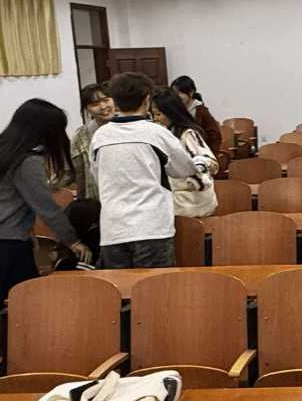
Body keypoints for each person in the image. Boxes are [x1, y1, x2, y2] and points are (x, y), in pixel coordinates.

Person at [0, 99, 93, 316]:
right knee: (22, 298)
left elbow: (6, 199)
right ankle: (12, 337)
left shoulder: (0, 148)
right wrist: (73, 241)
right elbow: (47, 208)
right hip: (1, 241)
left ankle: (2, 334)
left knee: (12, 294)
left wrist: (26, 231)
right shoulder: (27, 161)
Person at [91, 73, 213, 269]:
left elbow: (97, 177)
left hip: (113, 228)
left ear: (115, 101)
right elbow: (183, 170)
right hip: (151, 227)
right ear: (147, 100)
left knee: (119, 286)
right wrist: (200, 161)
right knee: (156, 285)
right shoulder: (157, 133)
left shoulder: (100, 136)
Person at [151, 88, 219, 217]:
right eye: (153, 114)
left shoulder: (188, 134)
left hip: (192, 203)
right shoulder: (167, 134)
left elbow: (210, 163)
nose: (155, 119)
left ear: (171, 113)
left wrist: (195, 176)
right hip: (178, 201)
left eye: (158, 114)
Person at [50, 83, 114, 200]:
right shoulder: (82, 135)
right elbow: (68, 171)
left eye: (106, 100)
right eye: (94, 104)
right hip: (96, 199)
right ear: (86, 109)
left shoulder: (130, 127)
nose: (103, 106)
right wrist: (43, 188)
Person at [170, 75, 222, 154]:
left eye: (179, 93)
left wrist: (206, 155)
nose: (176, 97)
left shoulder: (201, 112)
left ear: (191, 92)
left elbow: (214, 137)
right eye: (174, 93)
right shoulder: (176, 111)